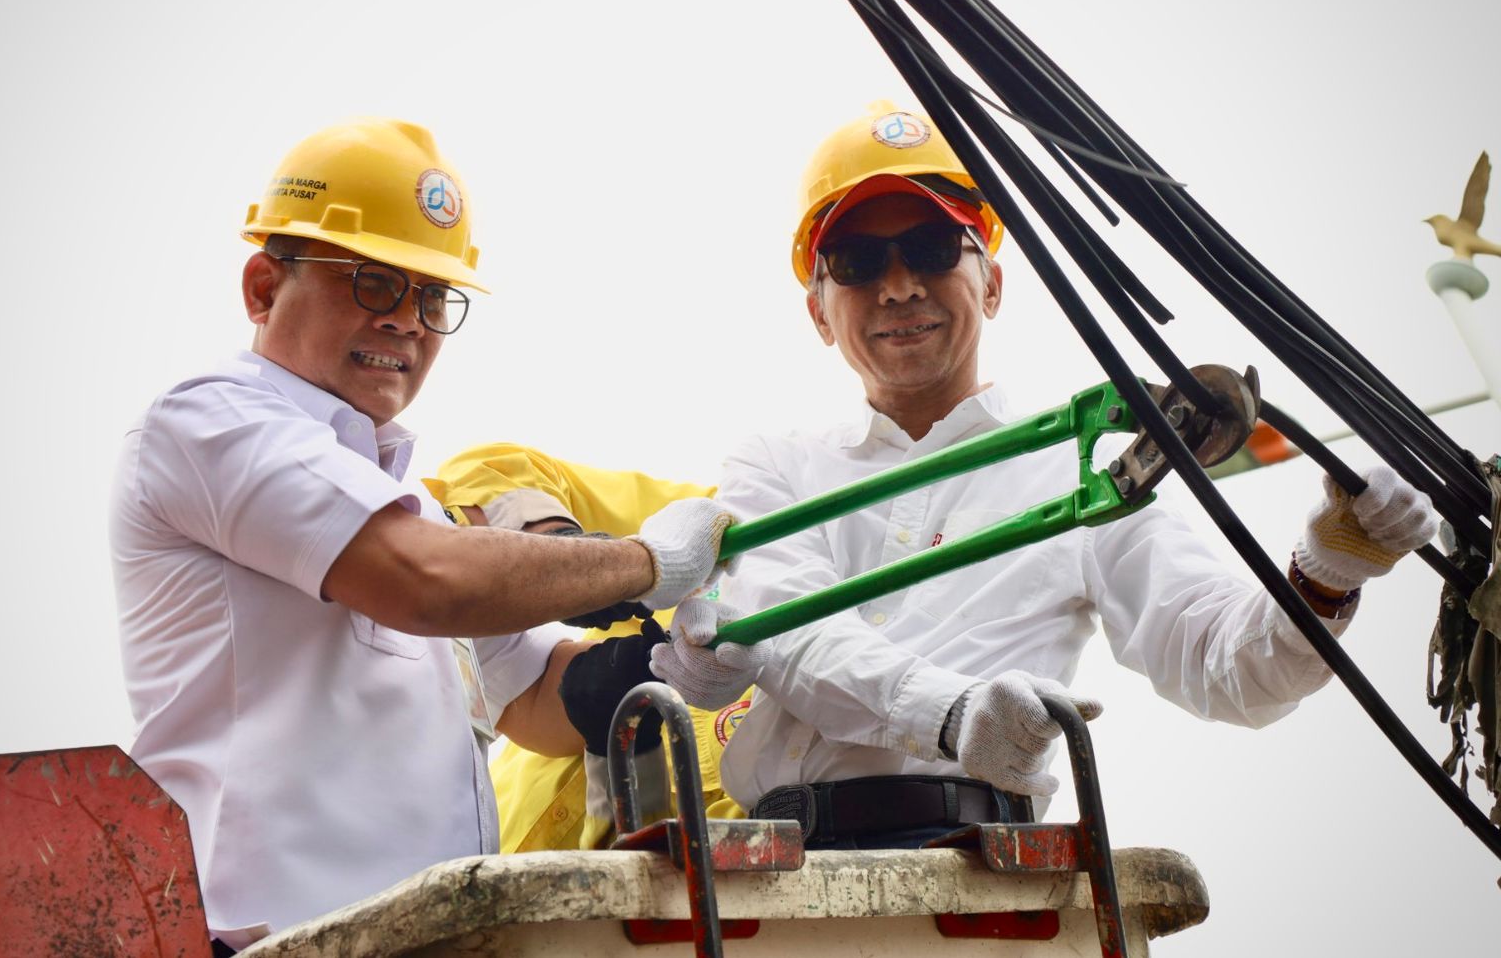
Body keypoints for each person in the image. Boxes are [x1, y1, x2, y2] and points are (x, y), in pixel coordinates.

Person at [650, 101, 1439, 849]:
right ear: (820, 312)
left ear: (992, 283)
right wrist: (953, 712)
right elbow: (792, 632)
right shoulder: (772, 465)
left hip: (986, 871)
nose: (897, 286)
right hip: (781, 878)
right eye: (856, 262)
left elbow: (1226, 669)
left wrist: (1328, 569)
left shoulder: (1085, 472)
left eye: (929, 246)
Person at [109, 117, 731, 949]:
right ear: (263, 288)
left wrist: (666, 669)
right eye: (372, 283)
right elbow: (428, 583)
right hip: (277, 943)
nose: (407, 321)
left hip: (426, 937)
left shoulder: (409, 503)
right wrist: (645, 562)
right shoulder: (210, 422)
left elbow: (532, 701)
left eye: (432, 297)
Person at [428, 442, 751, 852]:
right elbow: (494, 471)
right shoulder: (729, 523)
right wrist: (565, 554)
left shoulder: (843, 716)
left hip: (634, 899)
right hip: (491, 871)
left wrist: (633, 754)